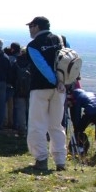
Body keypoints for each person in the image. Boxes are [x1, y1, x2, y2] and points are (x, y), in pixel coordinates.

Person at [25, 16, 67, 172]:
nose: (29, 29)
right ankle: (60, 161)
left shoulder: (33, 45)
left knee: (37, 124)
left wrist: (53, 80)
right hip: (61, 89)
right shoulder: (60, 39)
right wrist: (61, 82)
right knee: (56, 125)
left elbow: (41, 66)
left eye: (31, 26)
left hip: (40, 88)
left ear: (37, 27)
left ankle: (41, 159)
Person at [71, 87, 96, 155]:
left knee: (79, 130)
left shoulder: (79, 97)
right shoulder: (93, 93)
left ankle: (80, 148)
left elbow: (77, 112)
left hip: (89, 112)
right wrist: (94, 119)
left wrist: (77, 124)